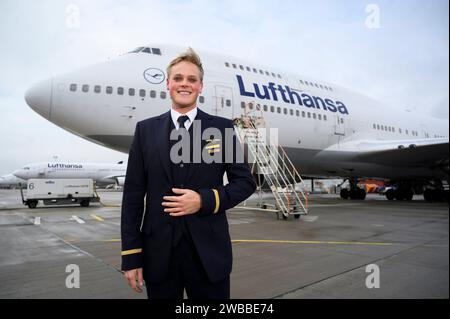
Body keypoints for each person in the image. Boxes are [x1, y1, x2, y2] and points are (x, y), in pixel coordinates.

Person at [121, 48, 256, 299]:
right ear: (168, 84)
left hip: (209, 255)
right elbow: (132, 196)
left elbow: (244, 183)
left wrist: (203, 200)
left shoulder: (221, 128)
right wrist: (131, 255)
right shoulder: (145, 130)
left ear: (201, 86)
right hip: (159, 255)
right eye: (179, 78)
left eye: (192, 80)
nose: (185, 84)